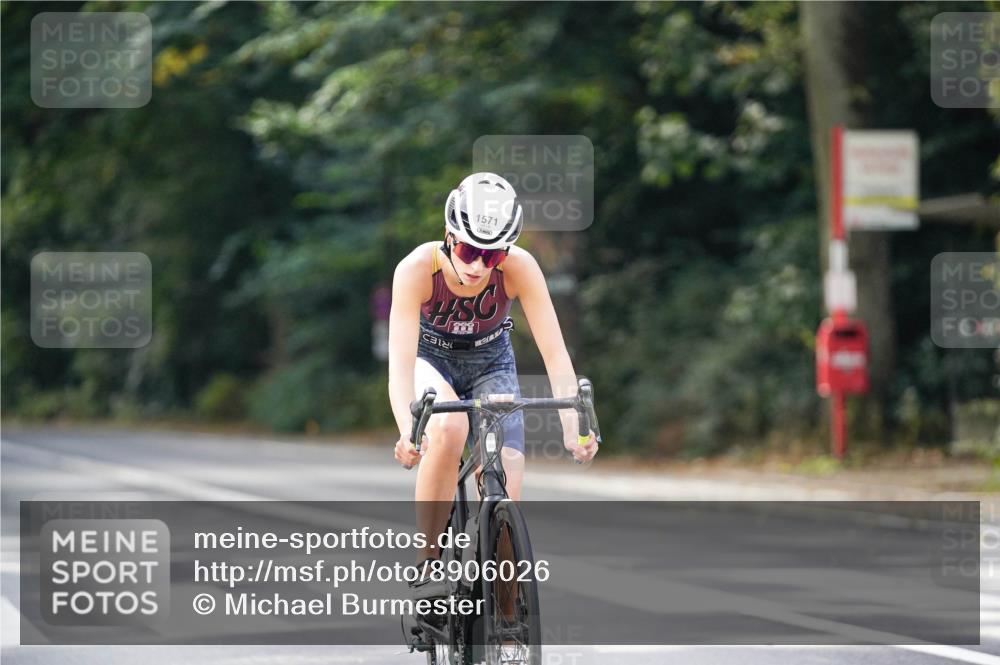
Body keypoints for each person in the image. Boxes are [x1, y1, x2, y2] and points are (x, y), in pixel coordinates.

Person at [388, 172, 598, 567]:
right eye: (469, 252)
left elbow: (555, 355)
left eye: (493, 255)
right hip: (432, 361)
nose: (479, 266)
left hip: (492, 361)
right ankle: (428, 562)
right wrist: (407, 431)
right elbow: (399, 367)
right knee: (449, 429)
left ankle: (503, 606)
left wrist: (574, 429)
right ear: (449, 237)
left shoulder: (521, 268)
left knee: (510, 471)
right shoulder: (416, 269)